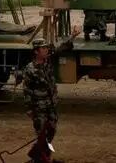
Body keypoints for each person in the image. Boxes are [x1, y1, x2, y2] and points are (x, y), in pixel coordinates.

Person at [23, 27, 81, 162]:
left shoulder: (47, 61)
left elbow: (62, 48)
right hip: (39, 107)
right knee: (41, 134)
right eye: (43, 48)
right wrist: (29, 109)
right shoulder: (30, 69)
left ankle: (39, 156)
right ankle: (41, 159)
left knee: (52, 131)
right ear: (36, 51)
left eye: (46, 48)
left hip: (51, 105)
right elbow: (27, 90)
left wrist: (73, 36)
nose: (46, 50)